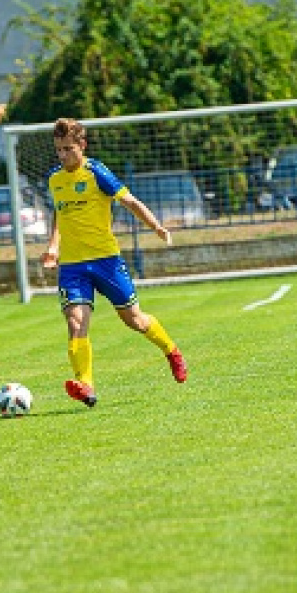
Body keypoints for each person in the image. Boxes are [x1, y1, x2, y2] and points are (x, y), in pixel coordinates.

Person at [41, 117, 187, 408]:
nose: (63, 155)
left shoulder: (98, 174)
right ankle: (86, 385)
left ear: (82, 145)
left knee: (134, 319)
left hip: (106, 260)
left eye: (68, 149)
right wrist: (53, 247)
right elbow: (59, 213)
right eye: (58, 150)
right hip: (72, 266)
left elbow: (130, 201)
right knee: (75, 321)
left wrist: (156, 227)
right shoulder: (54, 179)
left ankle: (172, 352)